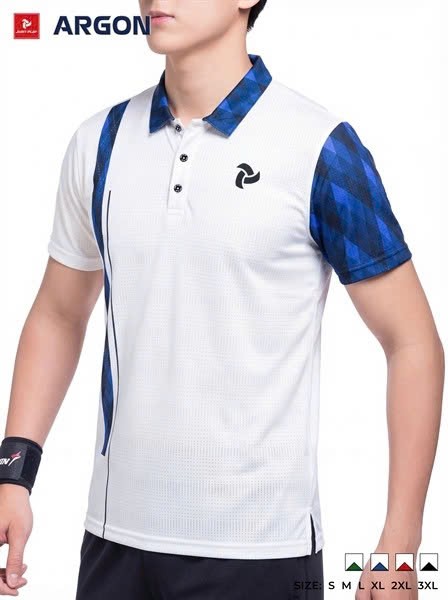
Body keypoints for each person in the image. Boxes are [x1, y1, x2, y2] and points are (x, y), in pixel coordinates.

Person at [0, 1, 444, 598]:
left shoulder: (319, 146)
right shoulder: (99, 141)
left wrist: (400, 544)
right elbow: (58, 313)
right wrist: (14, 474)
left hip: (261, 553)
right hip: (113, 543)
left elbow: (412, 341)